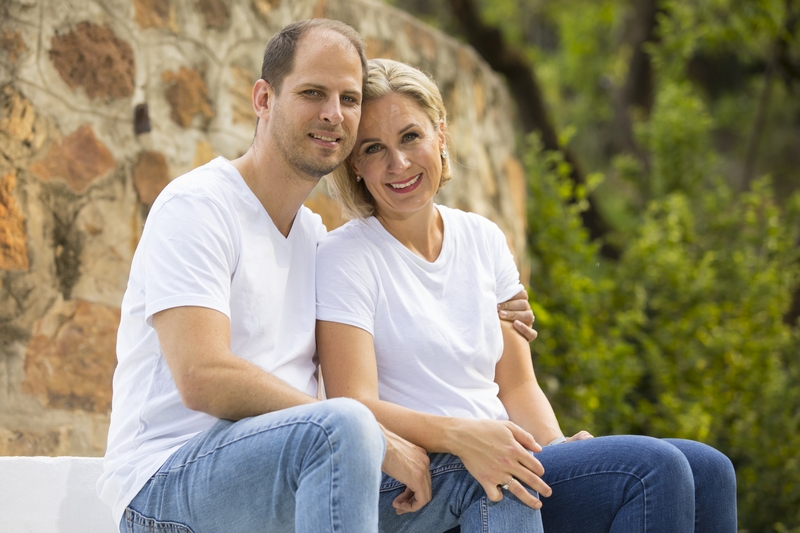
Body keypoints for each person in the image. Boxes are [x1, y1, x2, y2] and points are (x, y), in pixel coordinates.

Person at [98, 19, 535, 533]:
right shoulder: (199, 205)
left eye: (349, 99)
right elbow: (202, 376)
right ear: (263, 99)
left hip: (287, 475)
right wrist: (371, 433)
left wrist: (498, 308)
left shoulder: (313, 238)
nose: (333, 113)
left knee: (497, 476)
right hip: (166, 485)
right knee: (345, 426)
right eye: (313, 93)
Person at [315, 58, 739, 533]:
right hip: (434, 479)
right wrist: (465, 436)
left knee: (710, 470)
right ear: (355, 164)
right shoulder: (346, 256)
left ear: (441, 134)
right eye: (374, 148)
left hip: (510, 459)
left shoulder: (483, 238)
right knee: (653, 469)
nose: (399, 163)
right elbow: (354, 403)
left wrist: (555, 445)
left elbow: (516, 385)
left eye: (410, 136)